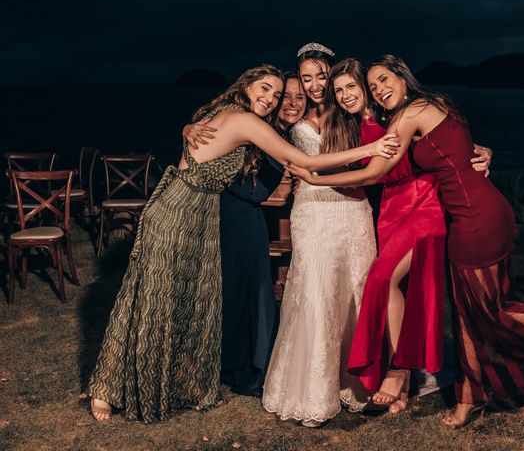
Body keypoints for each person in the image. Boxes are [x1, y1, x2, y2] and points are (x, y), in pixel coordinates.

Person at [285, 55, 524, 428]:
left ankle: (400, 372)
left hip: (441, 209)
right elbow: (445, 146)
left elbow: (382, 169)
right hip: (414, 212)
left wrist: (315, 178)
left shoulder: (410, 113)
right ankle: (458, 395)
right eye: (344, 88)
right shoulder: (375, 119)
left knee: (404, 286)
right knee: (461, 311)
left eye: (367, 84)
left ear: (399, 77)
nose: (363, 91)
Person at [87, 64, 399, 423]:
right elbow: (305, 161)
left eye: (276, 94)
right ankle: (105, 390)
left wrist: (187, 126)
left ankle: (169, 382)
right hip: (177, 210)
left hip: (199, 211)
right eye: (264, 89)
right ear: (246, 84)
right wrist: (374, 146)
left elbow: (199, 134)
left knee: (180, 302)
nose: (270, 98)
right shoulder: (245, 121)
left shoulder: (220, 111)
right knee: (147, 298)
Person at [321, 58, 491, 415]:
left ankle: (398, 371)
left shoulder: (399, 114)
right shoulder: (360, 122)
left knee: (382, 278)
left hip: (424, 203)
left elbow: (448, 142)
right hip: (390, 212)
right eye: (339, 91)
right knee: (398, 290)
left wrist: (483, 152)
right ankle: (406, 379)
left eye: (352, 87)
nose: (346, 95)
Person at [262, 43, 376, 427]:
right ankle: (312, 389)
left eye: (320, 76)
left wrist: (474, 148)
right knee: (316, 292)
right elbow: (251, 121)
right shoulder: (292, 116)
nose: (313, 85)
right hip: (313, 212)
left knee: (356, 290)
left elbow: (404, 131)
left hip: (353, 209)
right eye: (306, 77)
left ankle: (356, 383)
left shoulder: (353, 112)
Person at [182, 71, 307, 397]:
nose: (290, 103)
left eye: (299, 97)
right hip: (222, 212)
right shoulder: (251, 123)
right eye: (284, 96)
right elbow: (207, 137)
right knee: (226, 292)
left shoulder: (290, 137)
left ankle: (252, 367)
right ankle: (226, 365)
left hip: (248, 218)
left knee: (255, 292)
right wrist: (187, 128)